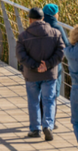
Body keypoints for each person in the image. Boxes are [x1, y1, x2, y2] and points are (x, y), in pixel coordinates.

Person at [16, 8, 65, 141]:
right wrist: (47, 64)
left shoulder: (23, 36)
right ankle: (48, 126)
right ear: (43, 19)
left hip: (31, 75)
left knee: (34, 101)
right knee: (49, 100)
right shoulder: (55, 33)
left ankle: (35, 129)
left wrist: (35, 65)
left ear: (30, 20)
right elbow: (61, 52)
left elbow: (20, 55)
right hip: (49, 74)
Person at [41, 3, 70, 128]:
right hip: (54, 65)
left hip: (39, 64)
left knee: (42, 93)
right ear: (55, 14)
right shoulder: (58, 28)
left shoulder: (39, 26)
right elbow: (67, 46)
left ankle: (42, 120)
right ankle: (51, 121)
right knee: (52, 94)